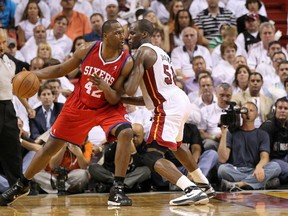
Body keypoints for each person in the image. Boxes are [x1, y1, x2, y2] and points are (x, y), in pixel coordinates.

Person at [0, 20, 134, 206]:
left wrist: (104, 86)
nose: (123, 37)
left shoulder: (126, 61)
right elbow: (61, 69)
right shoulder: (87, 49)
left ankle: (117, 189)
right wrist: (35, 74)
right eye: (118, 33)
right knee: (50, 147)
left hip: (106, 107)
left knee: (126, 132)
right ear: (105, 36)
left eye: (123, 33)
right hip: (79, 105)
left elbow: (114, 98)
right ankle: (22, 184)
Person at [123, 19, 214, 206]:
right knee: (177, 145)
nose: (128, 37)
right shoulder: (161, 53)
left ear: (145, 35)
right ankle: (203, 184)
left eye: (132, 33)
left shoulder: (142, 52)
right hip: (177, 100)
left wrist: (114, 86)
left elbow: (130, 89)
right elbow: (148, 98)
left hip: (169, 105)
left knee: (151, 155)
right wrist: (120, 99)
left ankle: (190, 189)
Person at [0, 28, 34, 197]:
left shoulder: (10, 62)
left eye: (3, 42)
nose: (1, 45)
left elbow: (15, 89)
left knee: (12, 148)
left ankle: (17, 185)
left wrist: (27, 107)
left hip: (7, 107)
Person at [218, 102, 281, 191]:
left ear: (256, 114)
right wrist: (224, 133)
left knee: (276, 166)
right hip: (237, 170)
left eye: (251, 110)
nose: (248, 113)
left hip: (255, 170)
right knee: (222, 169)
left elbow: (264, 158)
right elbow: (222, 159)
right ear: (241, 113)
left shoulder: (262, 134)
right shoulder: (232, 133)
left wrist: (259, 167)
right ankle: (261, 183)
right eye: (245, 110)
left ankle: (239, 184)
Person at [260, 97, 288, 185]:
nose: (283, 111)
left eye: (286, 108)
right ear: (274, 110)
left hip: (284, 157)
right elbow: (263, 153)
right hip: (272, 160)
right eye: (280, 108)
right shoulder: (268, 127)